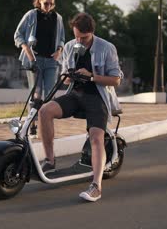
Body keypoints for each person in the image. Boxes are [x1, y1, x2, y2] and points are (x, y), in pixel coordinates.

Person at [38, 13, 123, 202]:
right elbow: (66, 79)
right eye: (76, 36)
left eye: (83, 38)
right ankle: (50, 161)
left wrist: (91, 76)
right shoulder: (69, 46)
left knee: (95, 137)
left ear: (92, 32)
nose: (79, 41)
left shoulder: (107, 48)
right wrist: (70, 74)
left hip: (97, 97)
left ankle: (96, 186)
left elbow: (116, 79)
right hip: (75, 95)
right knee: (44, 111)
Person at [14, 0, 65, 138]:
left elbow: (62, 38)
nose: (48, 6)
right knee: (36, 94)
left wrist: (59, 51)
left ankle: (46, 127)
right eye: (45, 3)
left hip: (51, 62)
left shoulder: (58, 18)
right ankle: (33, 124)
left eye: (51, 3)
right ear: (40, 1)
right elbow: (18, 35)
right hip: (34, 60)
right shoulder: (31, 15)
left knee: (49, 96)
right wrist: (27, 51)